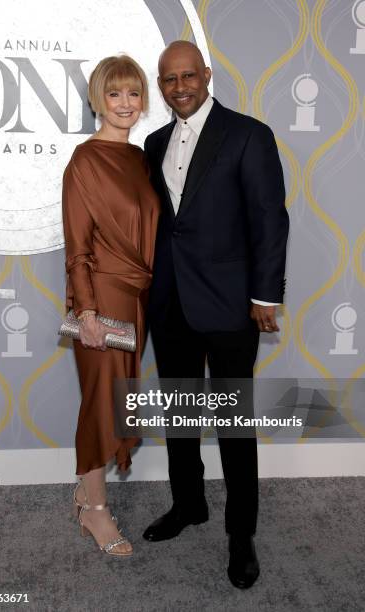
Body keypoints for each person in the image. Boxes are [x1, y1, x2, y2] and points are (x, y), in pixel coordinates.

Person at [142, 41, 289, 588]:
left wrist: (264, 296)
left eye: (188, 76)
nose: (179, 87)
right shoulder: (153, 143)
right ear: (161, 84)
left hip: (230, 303)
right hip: (170, 301)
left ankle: (240, 533)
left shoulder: (248, 134)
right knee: (181, 416)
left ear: (206, 74)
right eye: (168, 79)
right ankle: (188, 505)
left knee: (232, 423)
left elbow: (269, 220)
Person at [62, 55, 160, 557]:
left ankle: (86, 491)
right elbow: (77, 246)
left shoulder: (141, 159)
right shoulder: (84, 160)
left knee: (116, 399)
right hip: (101, 299)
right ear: (99, 99)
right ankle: (95, 510)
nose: (125, 104)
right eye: (115, 94)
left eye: (134, 93)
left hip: (138, 298)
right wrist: (87, 313)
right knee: (100, 402)